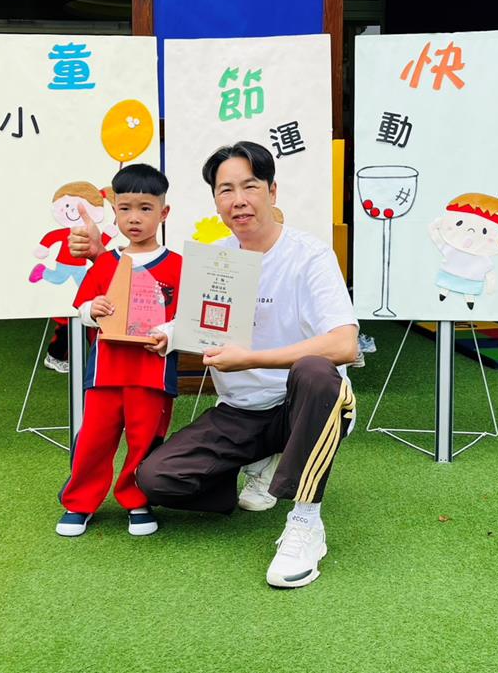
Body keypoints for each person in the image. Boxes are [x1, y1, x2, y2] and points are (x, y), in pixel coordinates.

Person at [136, 141, 359, 589]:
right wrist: (168, 334)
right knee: (156, 479)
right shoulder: (217, 257)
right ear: (216, 201)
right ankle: (263, 462)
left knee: (316, 372)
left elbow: (344, 344)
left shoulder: (309, 255)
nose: (238, 200)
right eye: (226, 190)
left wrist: (251, 359)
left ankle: (305, 521)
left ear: (272, 192)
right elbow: (196, 321)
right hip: (241, 412)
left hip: (303, 406)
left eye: (250, 186)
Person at [56, 163, 181, 538]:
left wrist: (169, 333)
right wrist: (91, 310)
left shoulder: (178, 265)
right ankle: (80, 503)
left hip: (152, 374)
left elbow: (187, 319)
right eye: (125, 208)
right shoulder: (106, 262)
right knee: (94, 439)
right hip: (106, 372)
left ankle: (137, 500)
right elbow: (82, 309)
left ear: (164, 212)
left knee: (145, 440)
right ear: (114, 211)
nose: (134, 218)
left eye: (145, 208)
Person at [429, 192, 498, 310]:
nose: (471, 232)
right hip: (450, 276)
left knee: (468, 292)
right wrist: (434, 228)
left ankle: (466, 298)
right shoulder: (453, 250)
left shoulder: (481, 257)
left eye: (485, 231)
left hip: (470, 282)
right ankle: (445, 292)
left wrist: (491, 285)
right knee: (449, 287)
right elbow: (438, 240)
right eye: (460, 223)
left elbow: (489, 271)